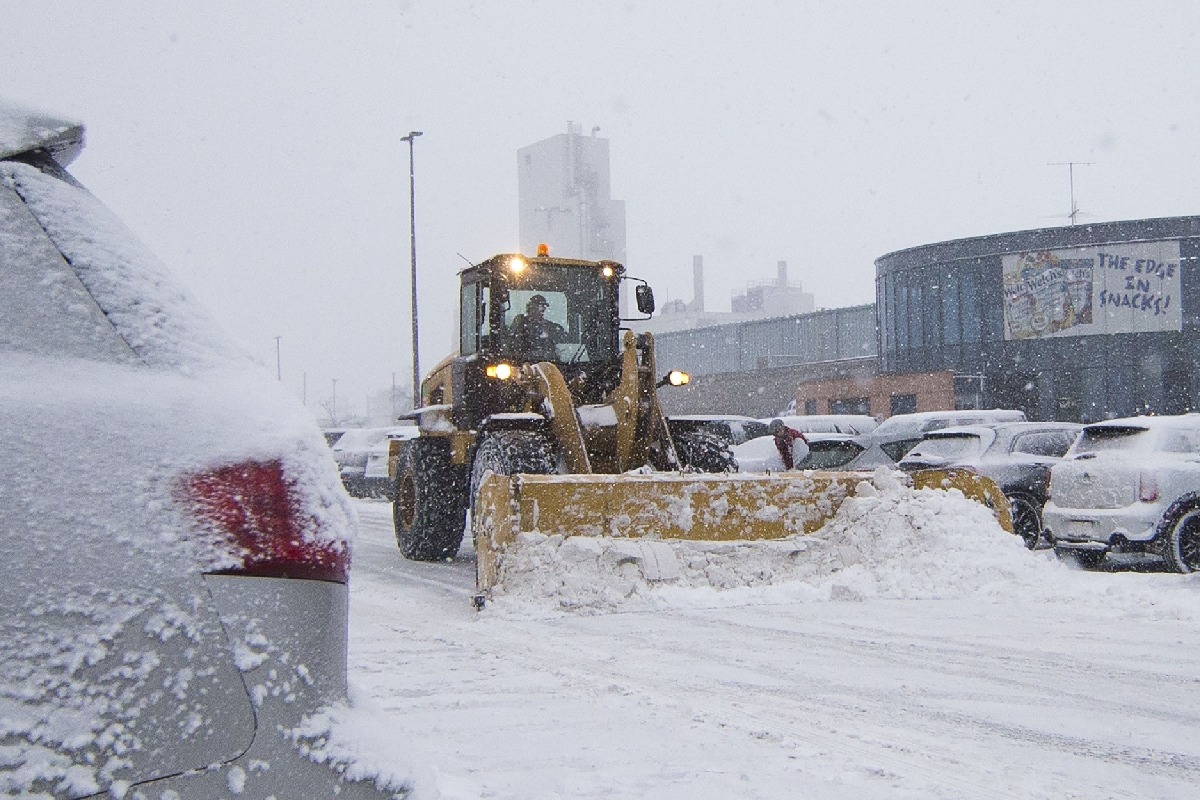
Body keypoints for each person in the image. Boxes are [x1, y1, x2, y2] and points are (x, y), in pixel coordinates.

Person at [509, 294, 565, 361]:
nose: (543, 309)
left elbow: (560, 331)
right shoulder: (521, 321)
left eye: (544, 307)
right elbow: (514, 340)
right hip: (523, 361)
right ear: (532, 307)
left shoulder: (547, 324)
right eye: (541, 306)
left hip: (547, 362)